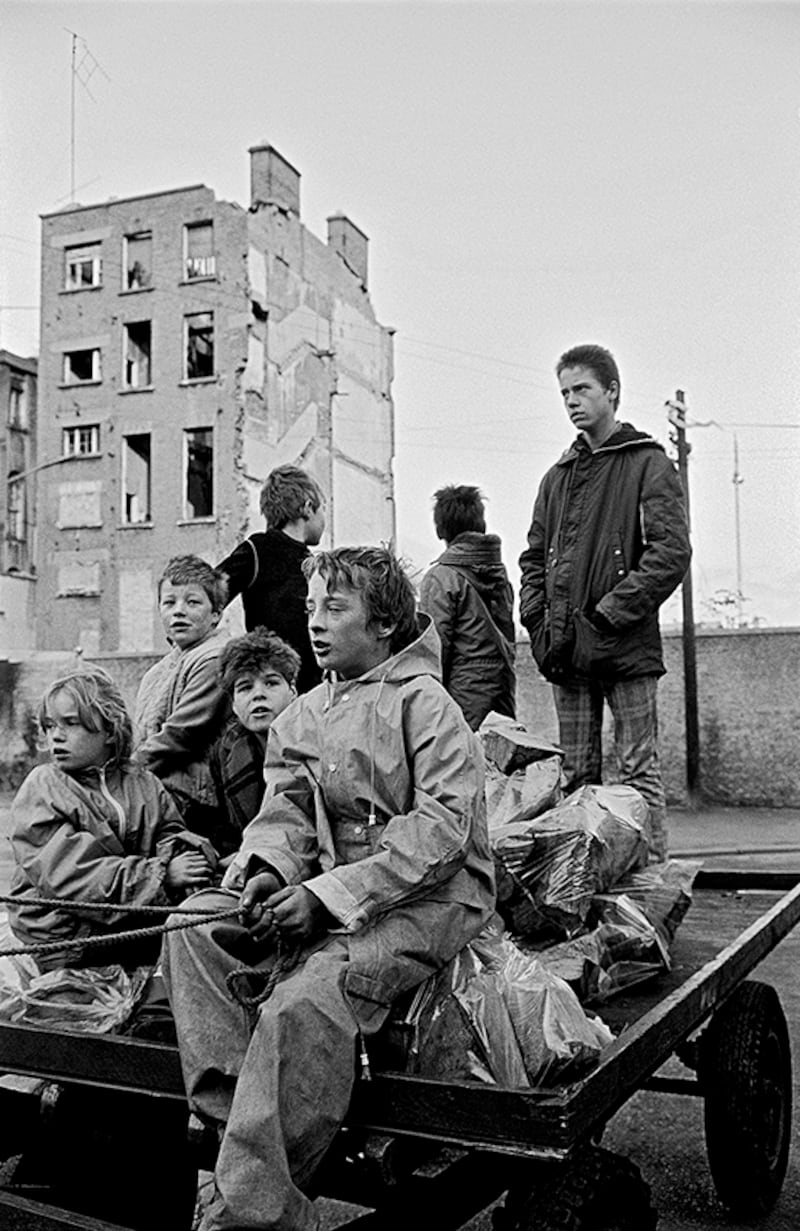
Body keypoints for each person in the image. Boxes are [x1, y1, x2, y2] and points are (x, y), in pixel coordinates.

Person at [163, 545, 495, 1231]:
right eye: (312, 606)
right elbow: (281, 815)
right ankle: (245, 1147)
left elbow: (441, 833)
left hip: (432, 896)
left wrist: (322, 898)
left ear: (383, 624)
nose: (313, 621)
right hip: (329, 886)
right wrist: (266, 873)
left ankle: (253, 1210)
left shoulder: (428, 706)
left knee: (310, 993)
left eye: (334, 607)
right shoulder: (302, 713)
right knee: (195, 927)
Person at [518, 344, 691, 860]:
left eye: (582, 389)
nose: (572, 401)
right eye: (565, 392)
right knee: (576, 779)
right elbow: (533, 557)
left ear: (611, 392)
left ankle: (653, 891)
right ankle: (579, 894)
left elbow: (670, 552)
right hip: (566, 652)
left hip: (625, 647)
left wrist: (608, 615)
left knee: (639, 773)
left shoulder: (648, 464)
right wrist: (538, 621)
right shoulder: (557, 477)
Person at [7, 667, 213, 970]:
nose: (56, 737)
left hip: (131, 920)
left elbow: (170, 830)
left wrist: (186, 858)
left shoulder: (142, 781)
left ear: (109, 728)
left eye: (70, 723)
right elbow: (73, 874)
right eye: (50, 726)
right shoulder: (44, 786)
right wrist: (160, 875)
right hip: (69, 935)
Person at [134, 555, 230, 853]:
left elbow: (182, 734)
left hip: (194, 802)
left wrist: (125, 771)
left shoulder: (214, 658)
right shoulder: (158, 670)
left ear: (215, 614)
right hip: (157, 790)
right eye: (169, 602)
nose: (179, 611)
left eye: (192, 602)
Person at [216, 464, 326, 694]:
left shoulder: (315, 565)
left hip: (312, 686)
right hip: (270, 683)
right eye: (322, 509)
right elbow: (210, 591)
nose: (324, 518)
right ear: (307, 508)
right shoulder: (258, 549)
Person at [419, 483, 516, 729]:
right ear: (481, 523)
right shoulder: (500, 574)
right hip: (502, 685)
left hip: (462, 693)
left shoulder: (441, 577)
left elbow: (434, 648)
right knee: (500, 758)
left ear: (440, 530)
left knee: (461, 761)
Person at [208, 629, 300, 858]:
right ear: (234, 705)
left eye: (271, 683)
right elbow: (224, 826)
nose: (258, 695)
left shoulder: (311, 741)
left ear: (293, 693)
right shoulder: (225, 751)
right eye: (245, 687)